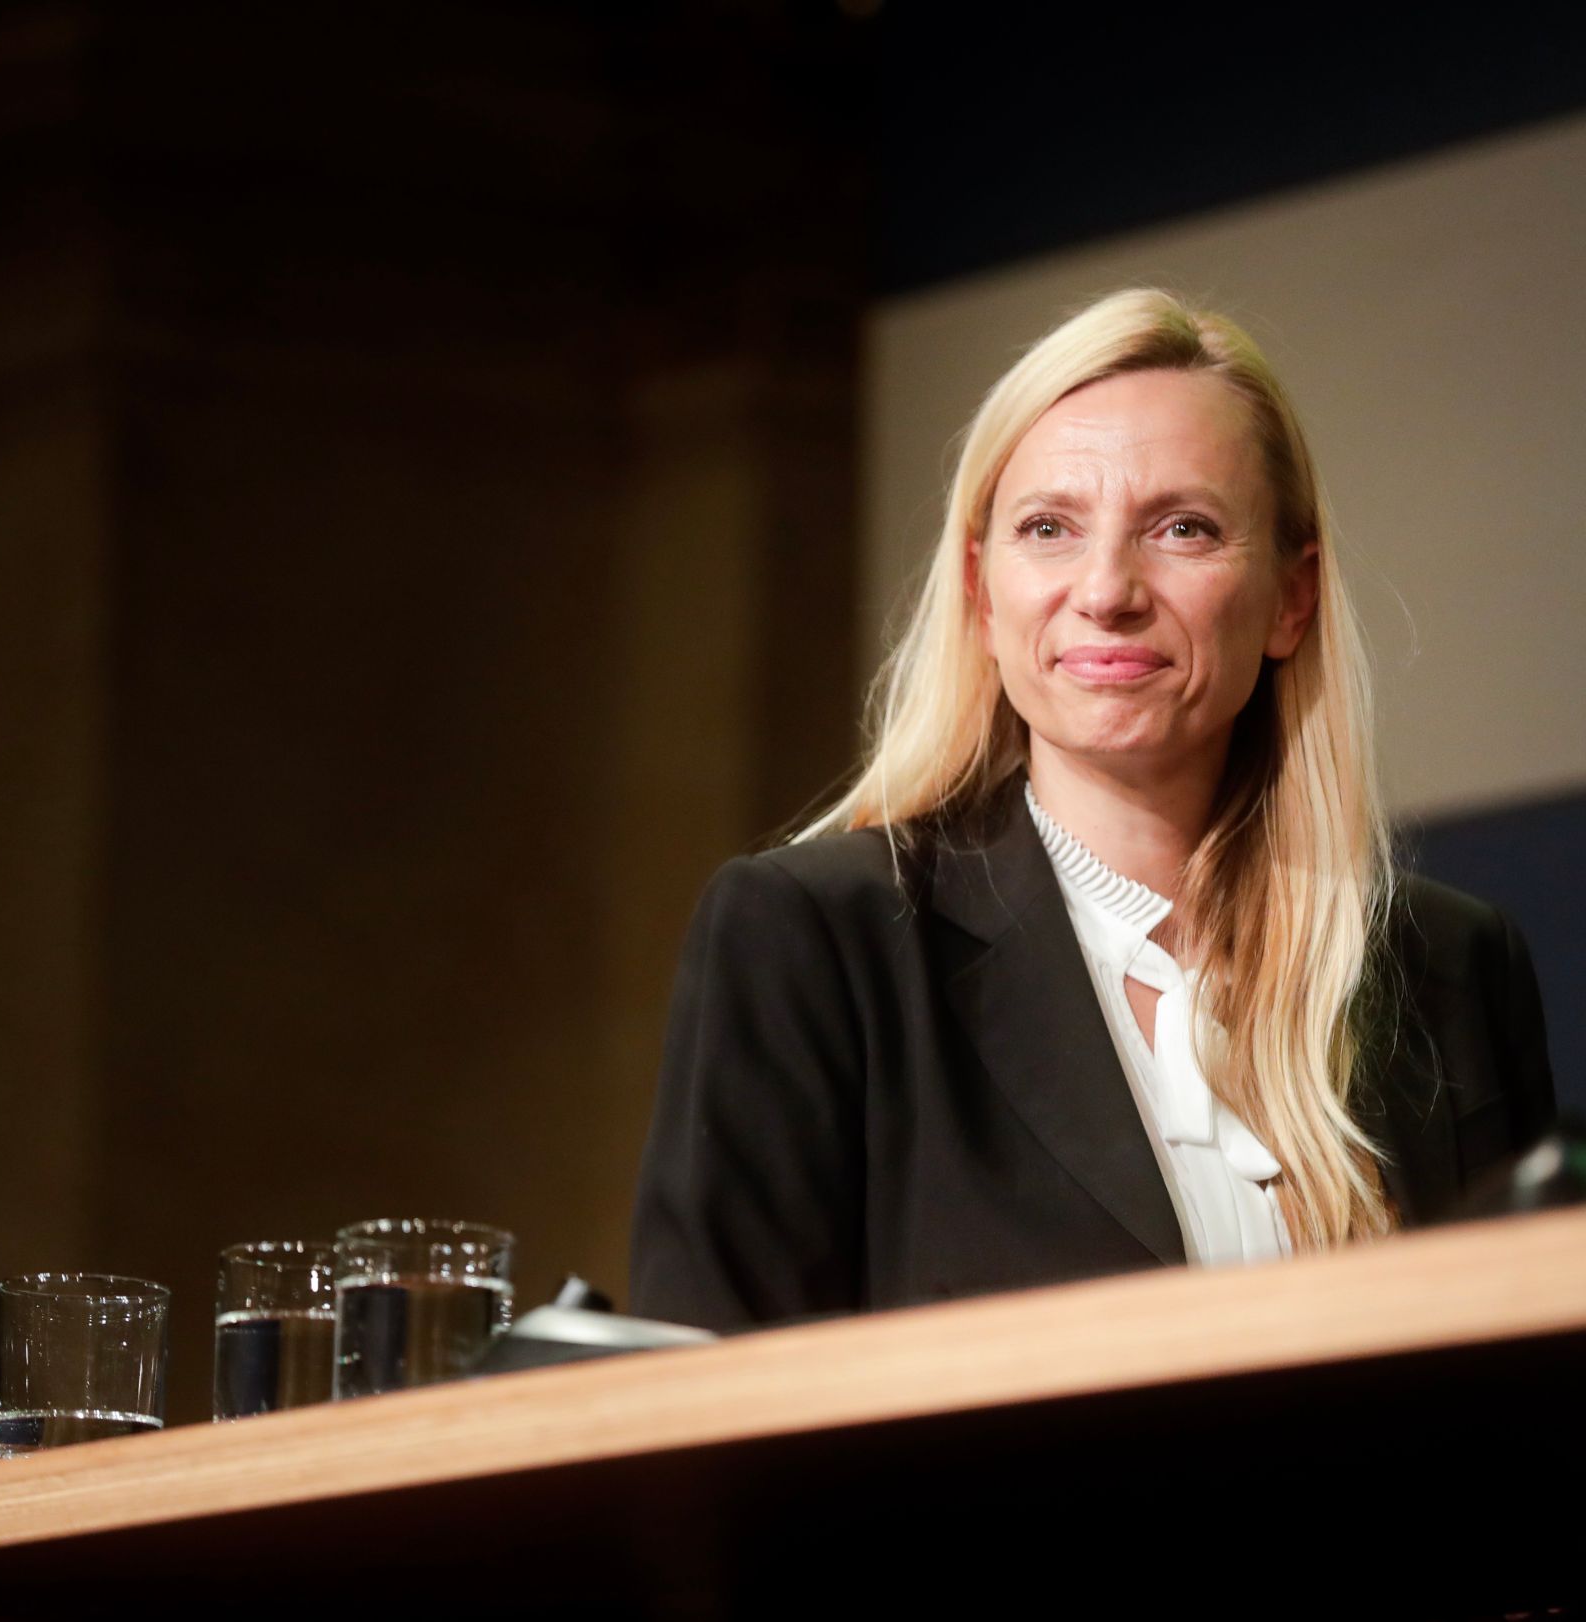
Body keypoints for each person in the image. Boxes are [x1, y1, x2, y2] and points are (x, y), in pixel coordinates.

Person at [628, 288, 1556, 1333]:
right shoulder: (816, 938)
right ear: (981, 593)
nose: (1106, 588)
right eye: (1047, 527)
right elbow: (703, 1414)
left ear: (1288, 599)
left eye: (1181, 527)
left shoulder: (1448, 965)